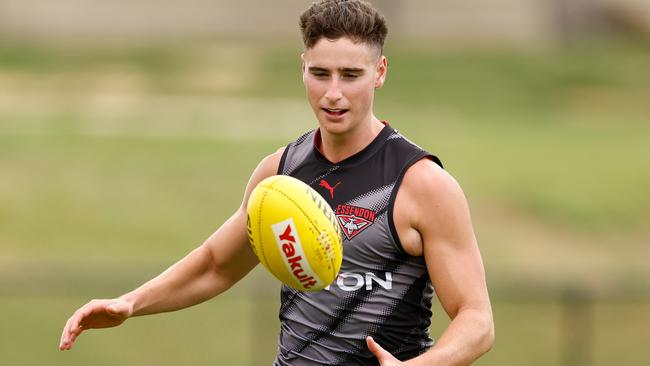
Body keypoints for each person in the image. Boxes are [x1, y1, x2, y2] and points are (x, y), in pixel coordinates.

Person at [59, 0, 494, 364]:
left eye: (351, 75)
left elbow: (476, 320)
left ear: (379, 72)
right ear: (303, 67)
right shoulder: (279, 175)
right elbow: (216, 264)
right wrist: (130, 304)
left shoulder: (421, 183)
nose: (333, 94)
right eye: (320, 74)